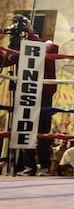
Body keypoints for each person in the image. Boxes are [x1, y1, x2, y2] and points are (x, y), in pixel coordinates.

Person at [0, 15, 58, 176]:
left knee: (42, 132)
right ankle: (29, 166)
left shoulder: (47, 45)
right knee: (24, 128)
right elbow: (4, 60)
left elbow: (45, 50)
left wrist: (31, 33)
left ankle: (44, 166)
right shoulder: (22, 49)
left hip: (42, 94)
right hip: (25, 91)